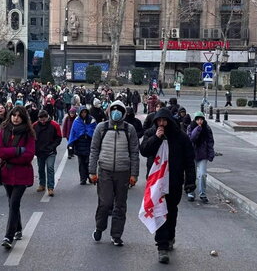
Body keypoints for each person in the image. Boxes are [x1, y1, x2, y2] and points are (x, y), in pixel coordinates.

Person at [139, 108, 196, 264]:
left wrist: (190, 181)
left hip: (174, 181)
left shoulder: (181, 137)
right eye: (159, 121)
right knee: (159, 212)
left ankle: (170, 237)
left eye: (165, 121)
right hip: (156, 183)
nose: (162, 124)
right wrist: (156, 139)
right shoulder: (151, 133)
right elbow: (143, 150)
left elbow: (189, 160)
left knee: (171, 212)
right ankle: (162, 247)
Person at [88, 100, 139, 246]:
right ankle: (99, 227)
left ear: (124, 113)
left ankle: (116, 235)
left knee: (120, 205)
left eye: (119, 110)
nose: (116, 113)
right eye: (113, 110)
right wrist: (92, 171)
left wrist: (134, 174)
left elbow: (134, 152)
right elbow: (94, 150)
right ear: (109, 112)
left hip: (123, 172)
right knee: (105, 203)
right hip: (105, 171)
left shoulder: (130, 130)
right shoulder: (101, 128)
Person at [0, 105, 36, 249]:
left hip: (22, 174)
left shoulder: (28, 133)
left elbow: (29, 155)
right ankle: (18, 228)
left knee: (14, 203)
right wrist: (17, 151)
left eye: (18, 116)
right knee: (12, 202)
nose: (15, 118)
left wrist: (9, 155)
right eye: (13, 115)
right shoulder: (4, 129)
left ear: (23, 118)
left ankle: (8, 236)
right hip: (6, 173)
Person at [186, 112, 215, 203]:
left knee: (202, 174)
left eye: (201, 119)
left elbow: (210, 141)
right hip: (192, 155)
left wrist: (211, 153)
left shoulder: (207, 128)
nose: (200, 121)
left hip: (203, 155)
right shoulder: (190, 127)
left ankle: (202, 193)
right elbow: (191, 139)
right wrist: (198, 129)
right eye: (198, 119)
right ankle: (191, 192)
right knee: (192, 175)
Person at [33, 110, 62, 196]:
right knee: (41, 168)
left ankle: (50, 187)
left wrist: (52, 147)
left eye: (44, 119)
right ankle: (42, 184)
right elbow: (32, 137)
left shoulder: (54, 125)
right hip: (39, 151)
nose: (42, 121)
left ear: (47, 117)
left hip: (50, 151)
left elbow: (59, 137)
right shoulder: (35, 125)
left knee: (50, 168)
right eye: (40, 120)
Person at [68, 106, 97, 185]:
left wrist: (88, 133)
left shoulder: (92, 120)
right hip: (79, 144)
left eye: (85, 112)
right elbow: (73, 132)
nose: (84, 114)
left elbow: (95, 131)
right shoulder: (77, 121)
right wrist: (70, 144)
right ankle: (83, 178)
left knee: (89, 162)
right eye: (82, 112)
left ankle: (90, 176)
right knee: (81, 163)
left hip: (89, 144)